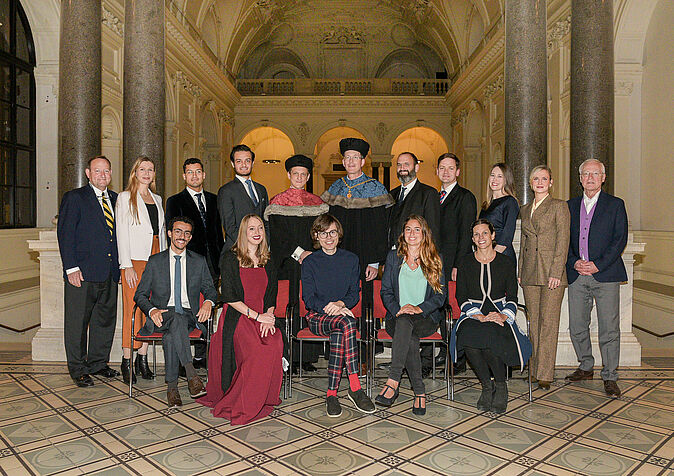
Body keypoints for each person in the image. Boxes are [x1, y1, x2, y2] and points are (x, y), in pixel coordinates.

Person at [198, 214, 284, 424]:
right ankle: (244, 400)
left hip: (263, 316)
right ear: (243, 233)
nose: (257, 233)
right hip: (239, 316)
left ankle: (265, 397)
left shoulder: (268, 259)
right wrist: (257, 316)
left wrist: (269, 316)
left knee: (274, 342)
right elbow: (229, 296)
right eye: (251, 229)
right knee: (257, 350)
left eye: (260, 228)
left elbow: (272, 294)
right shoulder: (230, 257)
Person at [450, 219, 531, 414]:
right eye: (476, 234)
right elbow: (460, 295)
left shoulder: (506, 262)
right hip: (473, 314)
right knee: (468, 337)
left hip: (499, 313)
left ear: (493, 235)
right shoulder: (465, 262)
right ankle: (487, 386)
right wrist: (478, 315)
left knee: (493, 335)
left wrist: (503, 316)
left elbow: (512, 295)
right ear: (472, 239)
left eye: (485, 233)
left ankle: (501, 386)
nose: (481, 238)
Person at [134, 217, 216, 408]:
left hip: (188, 316)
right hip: (161, 315)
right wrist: (152, 309)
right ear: (170, 233)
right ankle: (191, 375)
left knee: (173, 333)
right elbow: (140, 294)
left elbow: (211, 290)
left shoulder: (198, 261)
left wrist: (208, 303)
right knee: (174, 321)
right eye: (178, 231)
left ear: (190, 237)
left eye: (187, 233)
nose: (182, 236)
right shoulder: (155, 261)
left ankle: (172, 387)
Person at [301, 214, 376, 417]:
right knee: (348, 323)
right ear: (316, 236)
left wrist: (340, 304)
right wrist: (331, 307)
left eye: (332, 232)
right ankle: (355, 387)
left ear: (339, 234)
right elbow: (308, 299)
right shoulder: (310, 262)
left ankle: (331, 393)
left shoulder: (351, 259)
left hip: (341, 316)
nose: (328, 237)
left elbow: (354, 293)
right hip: (317, 317)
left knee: (340, 332)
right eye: (323, 233)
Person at [565, 159, 628, 397]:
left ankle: (610, 376)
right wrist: (574, 262)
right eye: (585, 174)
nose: (590, 177)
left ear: (603, 178)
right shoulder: (570, 206)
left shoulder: (615, 205)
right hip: (577, 274)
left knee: (609, 329)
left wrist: (597, 265)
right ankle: (586, 365)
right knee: (577, 326)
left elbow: (619, 239)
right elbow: (563, 241)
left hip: (606, 275)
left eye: (595, 173)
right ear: (580, 178)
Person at [57, 156, 121, 387]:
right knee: (77, 323)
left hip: (109, 273)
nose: (102, 175)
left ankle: (98, 363)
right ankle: (77, 368)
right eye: (97, 171)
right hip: (81, 274)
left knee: (104, 321)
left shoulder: (116, 199)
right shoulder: (75, 198)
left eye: (106, 171)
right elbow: (65, 235)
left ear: (111, 173)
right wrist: (71, 267)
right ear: (87, 173)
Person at [376, 215, 446, 416]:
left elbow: (441, 296)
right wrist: (398, 309)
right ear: (403, 233)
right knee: (409, 333)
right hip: (397, 317)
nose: (412, 234)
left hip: (426, 318)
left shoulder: (435, 258)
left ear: (424, 234)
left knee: (408, 327)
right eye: (408, 229)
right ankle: (419, 392)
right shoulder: (393, 258)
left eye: (417, 229)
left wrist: (418, 308)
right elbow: (386, 291)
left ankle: (393, 382)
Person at [265, 154, 328, 374]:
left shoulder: (317, 203)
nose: (299, 177)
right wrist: (299, 253)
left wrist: (314, 253)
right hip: (286, 264)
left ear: (309, 176)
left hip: (313, 265)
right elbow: (278, 236)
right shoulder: (277, 202)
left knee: (308, 305)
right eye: (295, 174)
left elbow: (323, 232)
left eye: (303, 174)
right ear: (288, 175)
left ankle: (307, 358)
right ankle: (287, 356)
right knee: (287, 306)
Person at [165, 157, 224, 369]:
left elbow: (218, 231)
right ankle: (182, 357)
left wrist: (221, 261)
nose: (194, 176)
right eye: (190, 172)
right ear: (184, 176)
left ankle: (202, 354)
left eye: (198, 172)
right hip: (187, 262)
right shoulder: (175, 201)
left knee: (208, 306)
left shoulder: (214, 199)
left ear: (204, 175)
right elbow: (172, 233)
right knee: (186, 306)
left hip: (212, 262)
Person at [320, 138, 394, 302]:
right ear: (343, 161)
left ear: (363, 161)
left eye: (355, 157)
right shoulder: (335, 188)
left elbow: (381, 229)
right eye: (347, 157)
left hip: (366, 257)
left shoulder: (375, 188)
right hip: (338, 255)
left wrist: (375, 262)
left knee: (365, 300)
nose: (351, 161)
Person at [116, 156, 167, 385]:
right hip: (134, 261)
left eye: (151, 169)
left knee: (152, 309)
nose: (147, 173)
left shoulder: (157, 199)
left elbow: (162, 232)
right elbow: (121, 233)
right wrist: (126, 265)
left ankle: (143, 359)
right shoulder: (125, 198)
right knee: (132, 310)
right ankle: (127, 360)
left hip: (156, 257)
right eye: (142, 169)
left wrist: (166, 261)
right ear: (134, 172)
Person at [519, 165, 570, 390]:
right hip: (530, 272)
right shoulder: (525, 208)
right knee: (534, 324)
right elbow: (523, 243)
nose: (540, 182)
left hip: (552, 274)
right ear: (531, 183)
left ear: (551, 182)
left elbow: (563, 241)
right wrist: (520, 271)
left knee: (548, 323)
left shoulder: (559, 206)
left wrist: (556, 272)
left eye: (544, 179)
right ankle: (534, 368)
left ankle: (545, 373)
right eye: (536, 179)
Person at [433, 152, 477, 372]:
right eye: (442, 168)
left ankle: (458, 358)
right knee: (440, 310)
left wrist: (458, 266)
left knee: (454, 310)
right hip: (434, 264)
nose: (446, 172)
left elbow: (466, 235)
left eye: (451, 168)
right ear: (437, 171)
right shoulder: (434, 196)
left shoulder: (465, 197)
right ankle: (445, 351)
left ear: (458, 172)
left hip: (453, 265)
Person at [217, 144, 269, 253]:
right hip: (237, 251)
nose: (244, 165)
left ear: (252, 163)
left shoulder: (261, 189)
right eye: (239, 161)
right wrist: (249, 247)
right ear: (233, 164)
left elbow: (266, 222)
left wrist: (264, 245)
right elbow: (229, 226)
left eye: (247, 161)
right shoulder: (226, 191)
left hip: (260, 251)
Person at [387, 152, 440, 249]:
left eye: (406, 164)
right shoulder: (392, 194)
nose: (402, 168)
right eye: (399, 165)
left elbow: (432, 230)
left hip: (416, 255)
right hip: (392, 255)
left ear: (416, 168)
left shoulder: (428, 193)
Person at [479, 163, 519, 261]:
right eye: (492, 175)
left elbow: (507, 236)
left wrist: (491, 257)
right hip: (486, 254)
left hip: (501, 256)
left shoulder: (510, 202)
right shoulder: (486, 204)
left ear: (506, 180)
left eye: (499, 176)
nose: (494, 179)